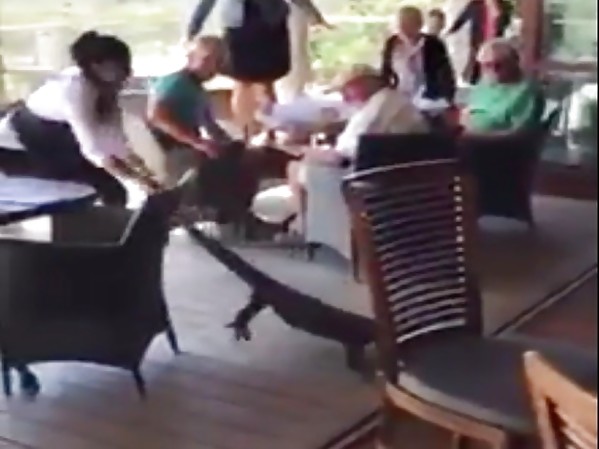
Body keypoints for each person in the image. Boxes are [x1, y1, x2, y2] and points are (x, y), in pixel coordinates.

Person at [147, 35, 293, 235]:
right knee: (246, 163)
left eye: (218, 61)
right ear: (190, 57)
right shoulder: (175, 83)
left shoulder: (196, 88)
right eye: (207, 59)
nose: (212, 67)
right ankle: (239, 223)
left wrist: (232, 143)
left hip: (189, 148)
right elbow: (156, 116)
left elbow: (210, 126)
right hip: (176, 154)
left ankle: (297, 178)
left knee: (257, 155)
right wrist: (198, 143)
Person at [0, 31, 161, 205]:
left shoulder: (105, 85)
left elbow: (112, 135)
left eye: (127, 66)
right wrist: (139, 181)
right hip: (19, 147)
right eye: (121, 67)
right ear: (96, 66)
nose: (127, 73)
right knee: (107, 186)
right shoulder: (75, 91)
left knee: (111, 184)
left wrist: (142, 170)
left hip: (52, 135)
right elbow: (94, 149)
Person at [286, 64, 429, 233]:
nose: (344, 97)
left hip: (371, 177)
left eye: (346, 89)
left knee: (297, 167)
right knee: (303, 164)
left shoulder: (377, 107)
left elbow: (343, 157)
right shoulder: (391, 100)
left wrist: (303, 150)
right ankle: (303, 224)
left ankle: (303, 227)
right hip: (400, 173)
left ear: (364, 83)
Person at [186, 0, 328, 141]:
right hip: (242, 26)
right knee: (244, 81)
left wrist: (313, 15)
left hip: (269, 24)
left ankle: (267, 133)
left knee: (263, 80)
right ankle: (248, 133)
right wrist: (194, 25)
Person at [462, 38, 545, 135]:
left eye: (498, 65)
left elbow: (520, 134)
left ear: (514, 63)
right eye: (487, 65)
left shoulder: (526, 92)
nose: (493, 70)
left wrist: (472, 138)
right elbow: (471, 108)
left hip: (491, 141)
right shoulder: (486, 82)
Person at [381, 6, 456, 103]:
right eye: (401, 24)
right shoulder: (392, 44)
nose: (404, 29)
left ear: (419, 24)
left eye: (409, 24)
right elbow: (385, 72)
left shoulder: (433, 44)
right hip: (399, 97)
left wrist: (447, 98)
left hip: (428, 98)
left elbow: (445, 74)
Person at [446, 0, 514, 84]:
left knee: (492, 63)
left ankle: (487, 80)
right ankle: (470, 80)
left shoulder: (502, 6)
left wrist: (499, 13)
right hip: (478, 39)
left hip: (494, 41)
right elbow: (462, 18)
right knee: (475, 61)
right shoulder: (476, 4)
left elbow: (506, 22)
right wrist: (451, 30)